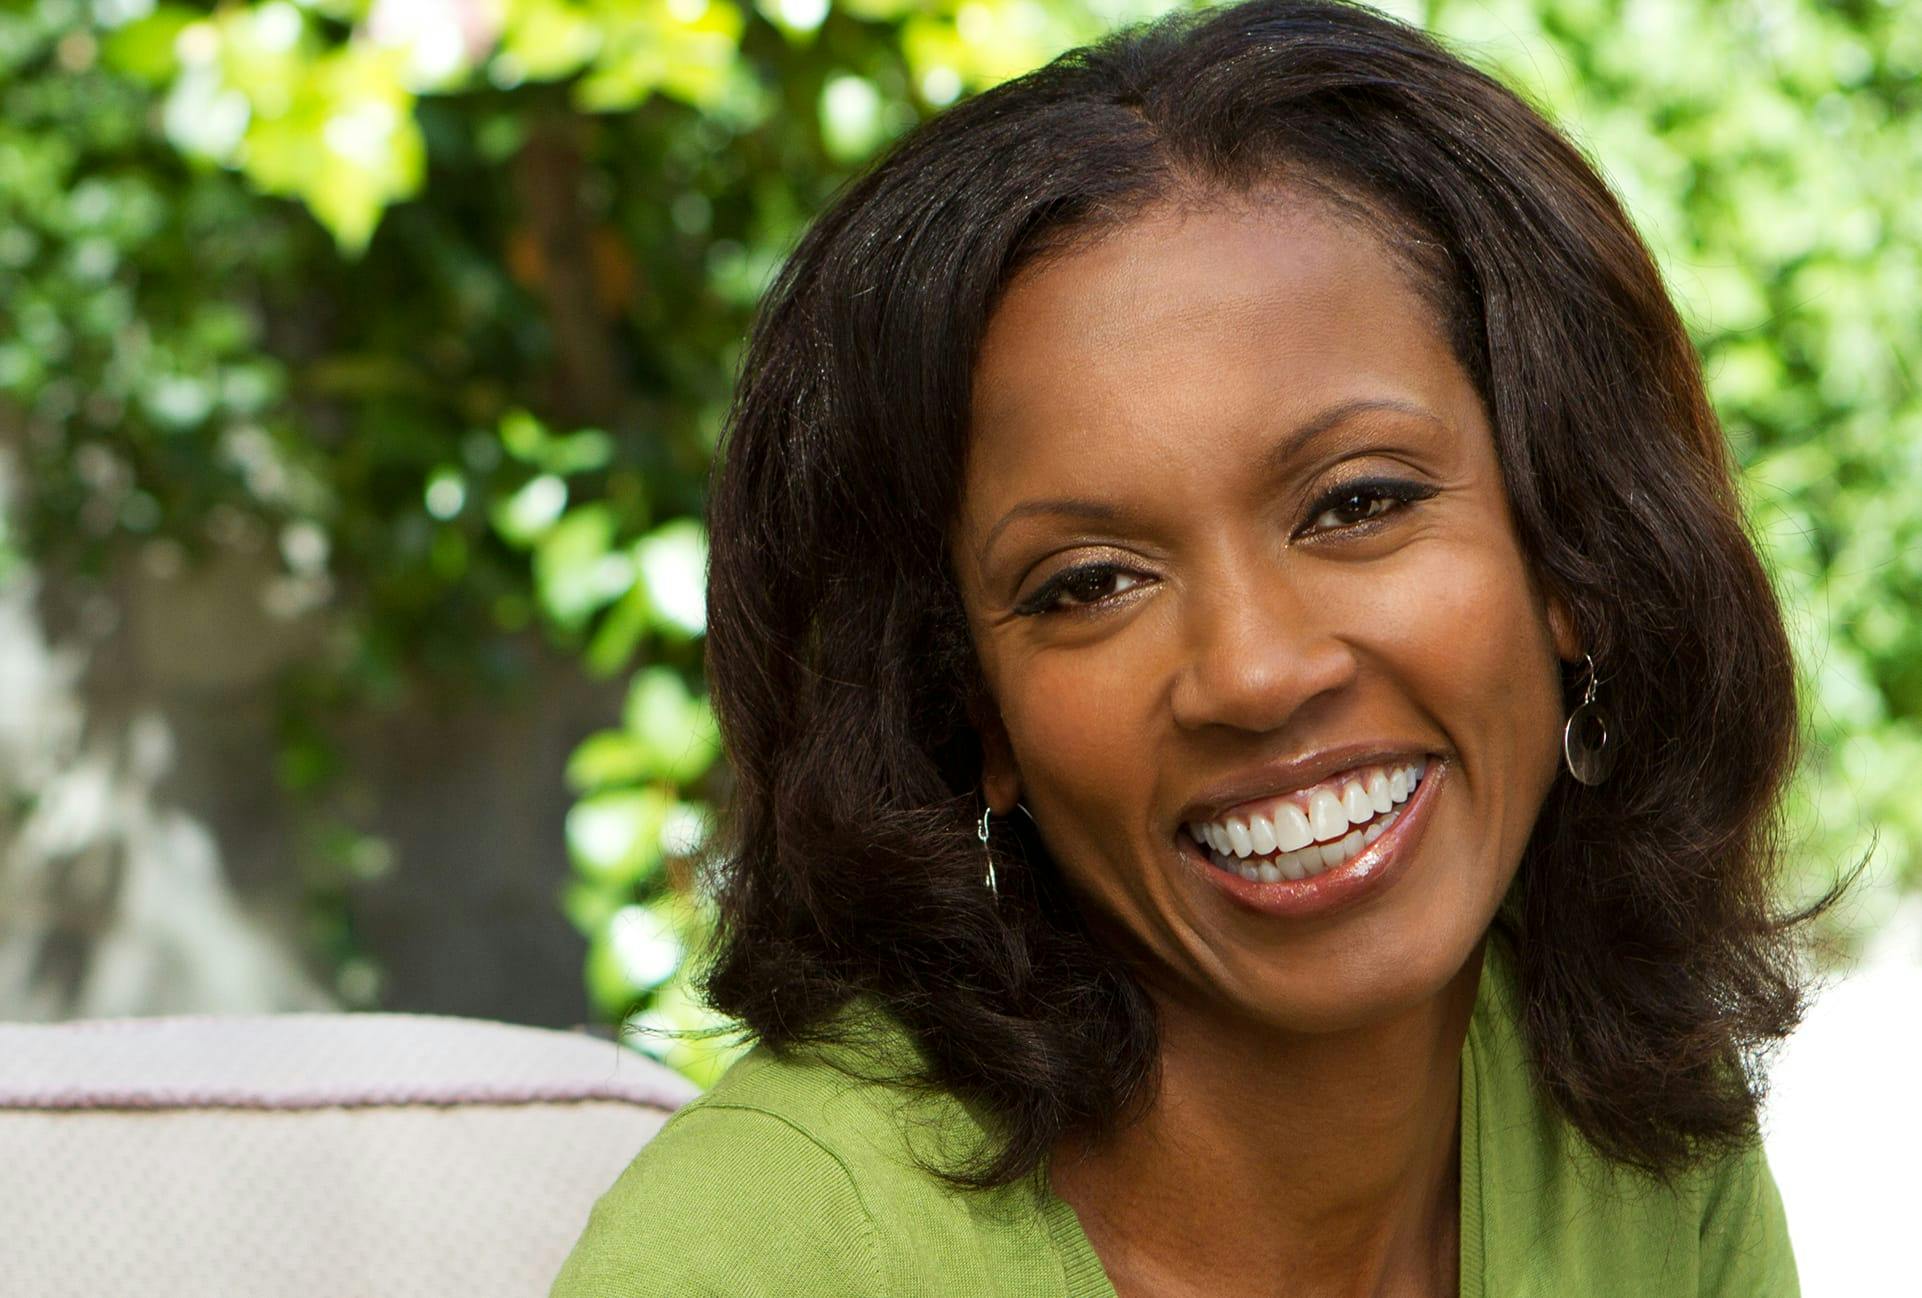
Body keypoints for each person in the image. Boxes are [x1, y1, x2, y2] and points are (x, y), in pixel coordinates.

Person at [551, 1, 1839, 1293]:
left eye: (1356, 502)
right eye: (1089, 582)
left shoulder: (1627, 1118)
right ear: (972, 713)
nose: (1255, 670)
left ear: (1569, 554)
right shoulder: (763, 1250)